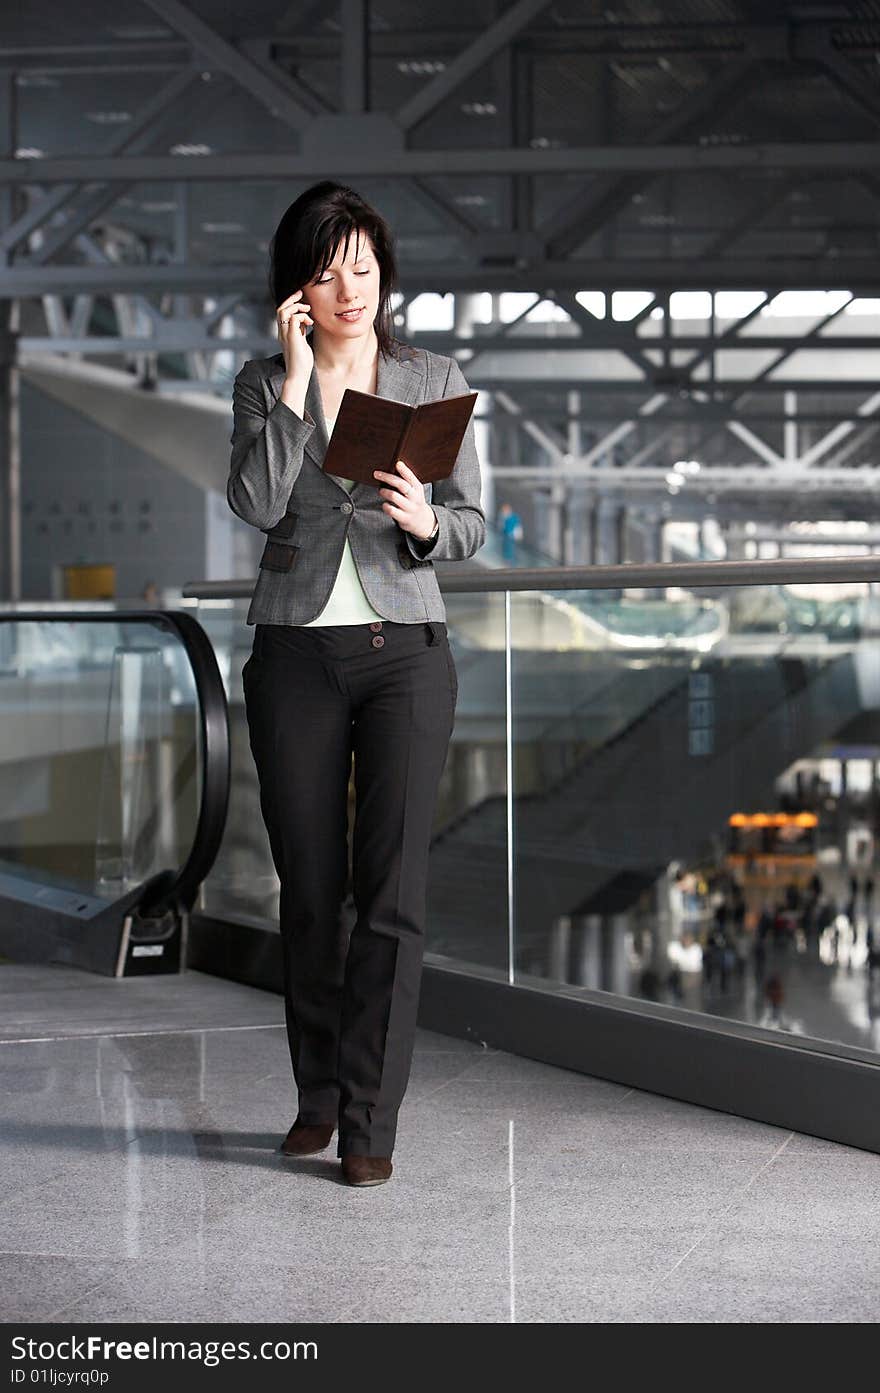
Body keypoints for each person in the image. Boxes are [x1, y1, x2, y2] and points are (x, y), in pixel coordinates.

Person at [227, 181, 485, 1188]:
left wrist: (424, 515)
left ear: (385, 275)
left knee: (392, 896)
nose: (349, 288)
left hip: (404, 658)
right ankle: (318, 1097)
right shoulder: (261, 381)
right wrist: (295, 381)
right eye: (328, 271)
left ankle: (371, 1119)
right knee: (310, 892)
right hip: (294, 656)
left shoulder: (430, 377)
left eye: (364, 268)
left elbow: (468, 521)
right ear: (299, 286)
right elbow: (254, 501)